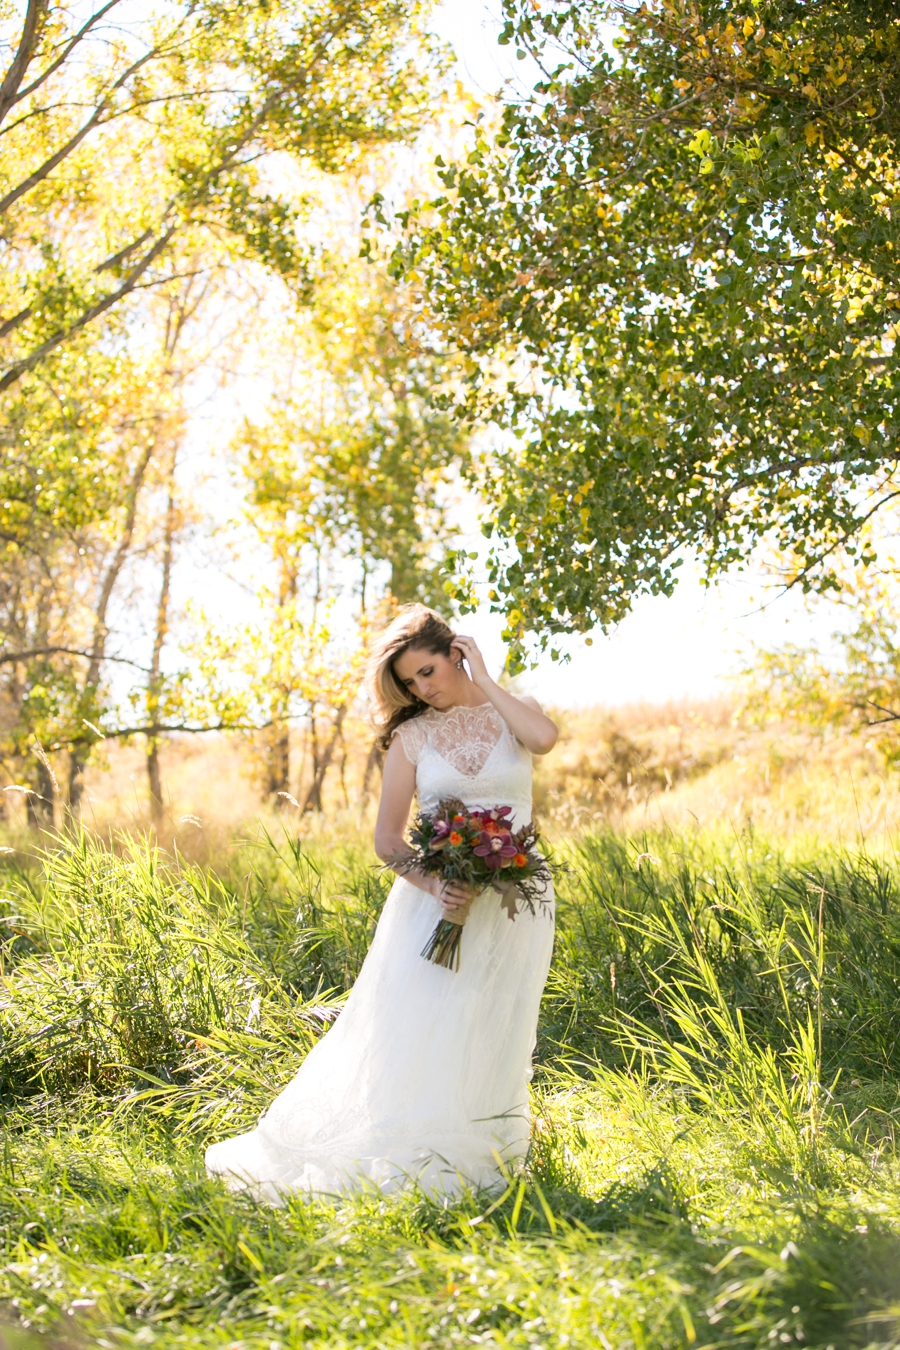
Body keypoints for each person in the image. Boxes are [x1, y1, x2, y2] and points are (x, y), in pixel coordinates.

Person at [205, 604, 559, 1201]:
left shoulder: (510, 711)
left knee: (499, 1016)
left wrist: (487, 680)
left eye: (429, 671)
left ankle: (492, 1142)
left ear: (457, 653)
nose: (423, 688)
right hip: (437, 905)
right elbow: (388, 841)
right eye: (410, 682)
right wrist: (437, 885)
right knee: (424, 1021)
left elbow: (544, 740)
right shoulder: (411, 736)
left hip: (516, 899)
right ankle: (419, 1143)